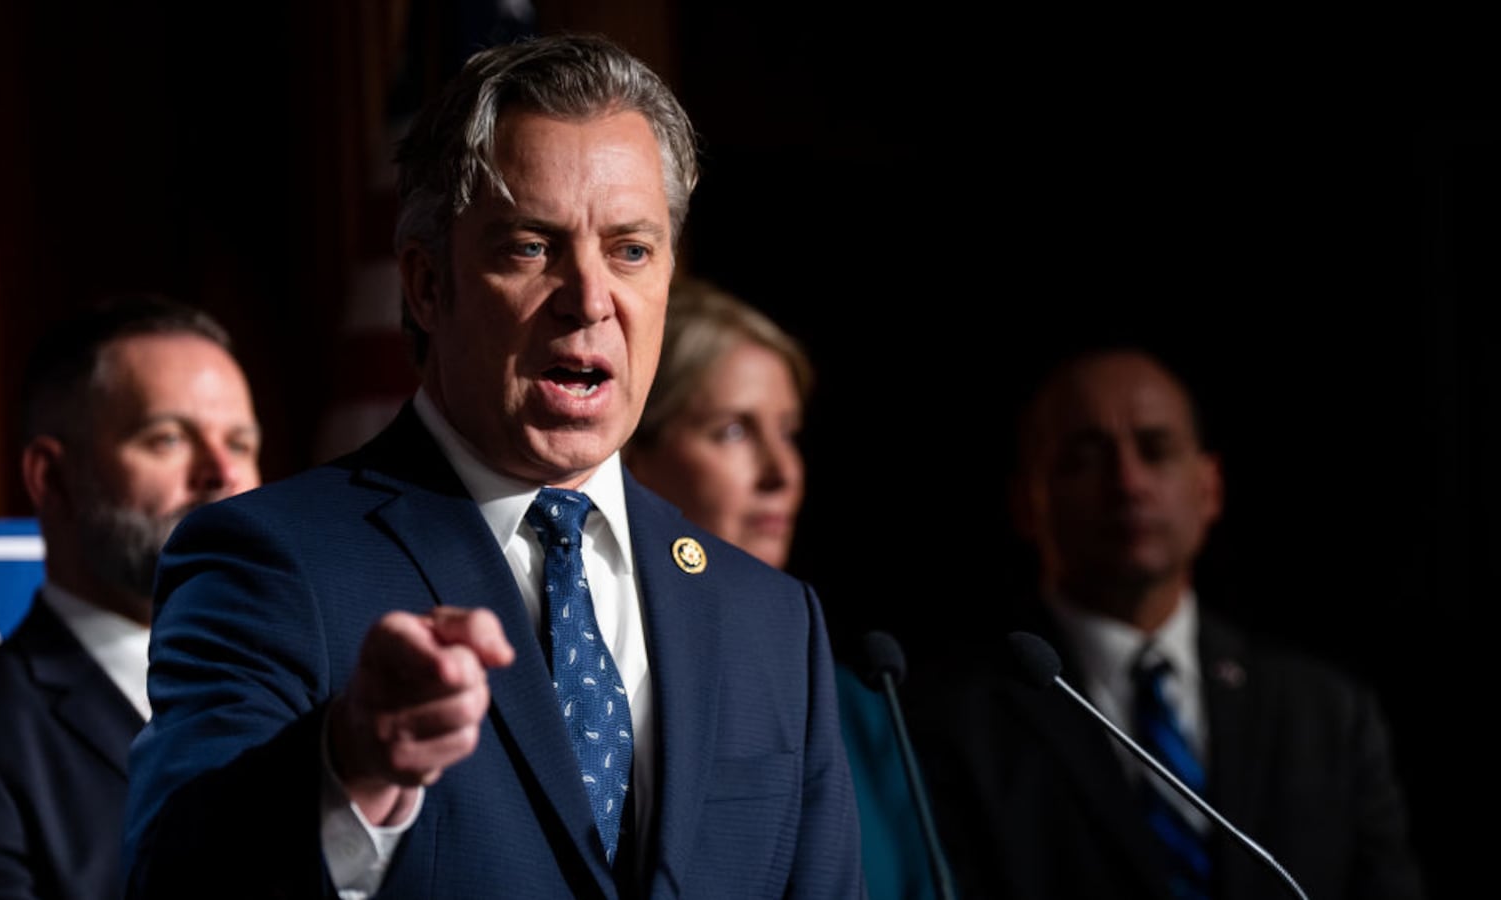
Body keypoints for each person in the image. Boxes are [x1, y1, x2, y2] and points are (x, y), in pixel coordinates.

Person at [122, 33, 863, 899]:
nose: (590, 299)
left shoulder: (772, 620)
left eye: (630, 249)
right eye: (529, 246)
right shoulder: (270, 562)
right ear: (427, 285)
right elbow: (176, 879)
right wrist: (350, 766)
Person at [907, 346, 1426, 900]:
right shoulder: (946, 722)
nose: (1128, 483)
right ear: (1026, 502)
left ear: (1210, 487)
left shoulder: (1326, 714)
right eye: (1085, 457)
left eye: (1155, 450)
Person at [0, 293, 262, 899]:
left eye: (242, 444)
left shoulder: (317, 697)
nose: (224, 474)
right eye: (168, 438)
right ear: (54, 479)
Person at [624, 275, 944, 899]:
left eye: (789, 432)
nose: (782, 472)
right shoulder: (601, 683)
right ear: (635, 455)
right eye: (733, 431)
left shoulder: (862, 704)